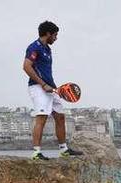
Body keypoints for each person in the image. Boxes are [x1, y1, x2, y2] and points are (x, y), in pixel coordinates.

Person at [22, 20, 83, 161]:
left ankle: (64, 150)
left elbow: (45, 70)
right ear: (48, 34)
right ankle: (36, 153)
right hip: (38, 87)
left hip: (51, 88)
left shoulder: (47, 49)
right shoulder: (34, 47)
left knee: (60, 116)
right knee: (41, 118)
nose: (56, 38)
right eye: (55, 35)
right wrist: (43, 84)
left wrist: (54, 87)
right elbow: (26, 67)